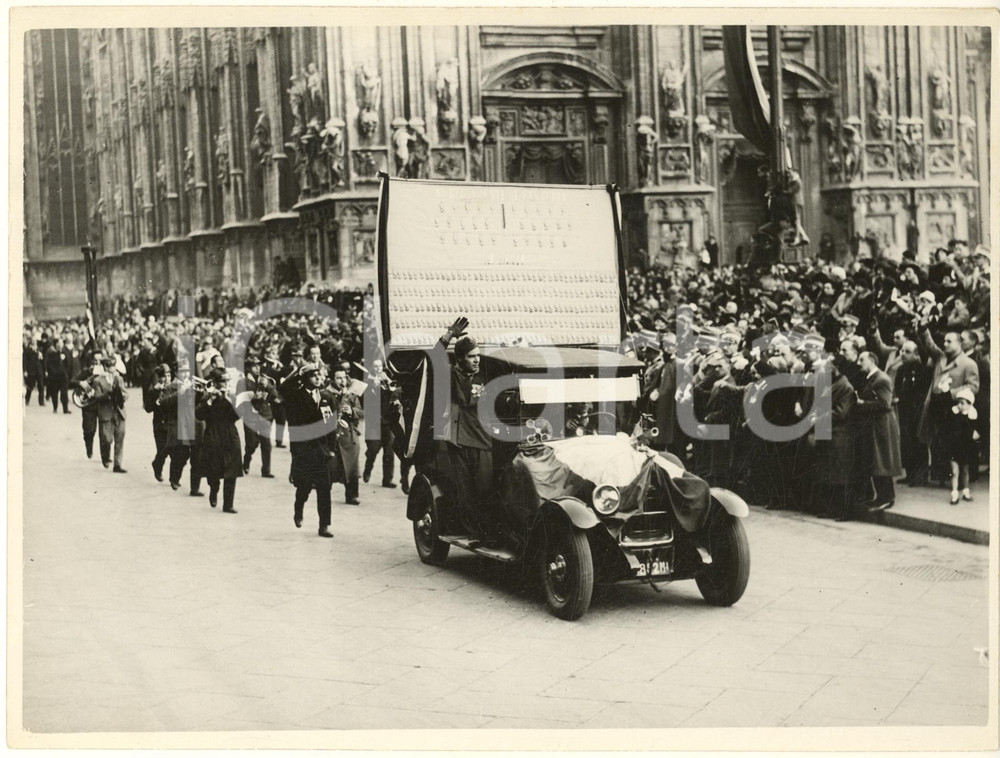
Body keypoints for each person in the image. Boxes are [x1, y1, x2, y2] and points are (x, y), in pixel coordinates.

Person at [436, 317, 496, 539]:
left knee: (485, 489)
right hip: (460, 440)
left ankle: (486, 531)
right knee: (466, 491)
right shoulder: (451, 374)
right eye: (471, 356)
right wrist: (449, 335)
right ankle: (475, 533)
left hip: (482, 439)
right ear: (460, 359)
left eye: (478, 355)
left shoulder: (483, 375)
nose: (476, 360)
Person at [281, 363, 339, 538]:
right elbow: (282, 388)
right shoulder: (296, 396)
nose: (318, 378)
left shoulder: (326, 397)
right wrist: (299, 371)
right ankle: (298, 508)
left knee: (324, 488)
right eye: (313, 376)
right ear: (305, 378)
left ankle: (324, 525)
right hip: (303, 449)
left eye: (319, 375)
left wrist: (331, 448)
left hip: (322, 450)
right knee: (304, 486)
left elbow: (331, 424)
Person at [917, 330, 979, 485]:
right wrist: (923, 329)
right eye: (944, 341)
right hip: (937, 405)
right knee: (937, 439)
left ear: (959, 343)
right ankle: (940, 475)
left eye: (949, 341)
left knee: (953, 443)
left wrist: (951, 393)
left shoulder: (969, 364)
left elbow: (973, 386)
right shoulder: (941, 357)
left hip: (954, 406)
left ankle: (956, 478)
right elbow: (930, 345)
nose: (945, 344)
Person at [855, 351, 903, 512]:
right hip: (876, 426)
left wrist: (862, 403)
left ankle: (887, 498)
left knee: (882, 461)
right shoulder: (873, 378)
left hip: (882, 427)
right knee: (878, 462)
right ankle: (881, 497)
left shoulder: (881, 379)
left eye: (862, 359)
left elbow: (885, 404)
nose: (859, 363)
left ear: (871, 360)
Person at [196, 368, 242, 513]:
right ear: (215, 383)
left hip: (230, 434)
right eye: (223, 381)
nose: (226, 384)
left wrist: (228, 399)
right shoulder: (208, 396)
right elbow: (199, 415)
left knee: (231, 470)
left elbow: (237, 416)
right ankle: (213, 489)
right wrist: (210, 400)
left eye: (227, 381)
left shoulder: (231, 396)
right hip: (213, 434)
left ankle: (228, 505)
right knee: (213, 468)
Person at [894, 340, 931, 486]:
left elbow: (922, 391)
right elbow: (898, 388)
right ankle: (910, 474)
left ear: (916, 354)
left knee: (918, 443)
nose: (903, 354)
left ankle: (921, 476)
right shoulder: (901, 370)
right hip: (904, 410)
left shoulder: (922, 370)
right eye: (902, 351)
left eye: (907, 352)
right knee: (906, 443)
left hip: (917, 411)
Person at [362, 359, 399, 489]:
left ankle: (387, 480)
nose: (378, 369)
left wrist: (388, 383)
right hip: (374, 423)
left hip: (387, 422)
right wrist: (373, 385)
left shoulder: (386, 380)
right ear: (371, 368)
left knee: (389, 452)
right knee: (373, 450)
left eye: (379, 366)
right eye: (375, 366)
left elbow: (394, 394)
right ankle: (367, 470)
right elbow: (365, 399)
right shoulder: (367, 382)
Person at [330, 367, 364, 505]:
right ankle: (324, 493)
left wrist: (351, 411)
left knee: (352, 466)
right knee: (329, 465)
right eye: (338, 378)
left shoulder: (351, 395)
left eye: (344, 377)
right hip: (331, 434)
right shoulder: (326, 393)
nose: (342, 381)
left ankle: (352, 495)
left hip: (349, 435)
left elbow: (361, 412)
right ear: (332, 379)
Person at [939, 387, 979, 504]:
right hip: (954, 447)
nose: (959, 405)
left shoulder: (972, 416)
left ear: (969, 404)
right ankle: (954, 493)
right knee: (954, 471)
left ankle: (966, 491)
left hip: (966, 448)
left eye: (962, 403)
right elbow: (947, 426)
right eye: (958, 402)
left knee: (965, 470)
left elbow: (975, 431)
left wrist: (976, 434)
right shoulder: (953, 414)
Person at [240, 356, 277, 478]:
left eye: (258, 366)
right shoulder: (243, 382)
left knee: (266, 443)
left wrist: (268, 385)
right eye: (254, 366)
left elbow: (275, 395)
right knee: (252, 443)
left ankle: (266, 470)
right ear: (248, 368)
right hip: (250, 415)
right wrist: (254, 396)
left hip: (265, 414)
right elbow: (240, 398)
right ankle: (247, 458)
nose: (258, 368)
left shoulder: (265, 379)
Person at [90, 355, 128, 472]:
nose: (113, 368)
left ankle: (117, 465)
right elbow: (97, 396)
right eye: (110, 366)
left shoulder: (119, 379)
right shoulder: (98, 381)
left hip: (119, 412)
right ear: (105, 367)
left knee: (119, 438)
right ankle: (105, 456)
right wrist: (108, 393)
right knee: (106, 439)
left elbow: (125, 393)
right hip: (106, 414)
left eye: (113, 366)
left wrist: (123, 396)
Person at [70, 350, 103, 459]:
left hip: (102, 405)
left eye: (100, 360)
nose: (98, 363)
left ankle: (105, 456)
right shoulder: (86, 372)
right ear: (92, 361)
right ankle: (89, 448)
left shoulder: (105, 372)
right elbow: (72, 381)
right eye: (95, 360)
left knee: (104, 433)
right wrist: (81, 383)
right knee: (89, 431)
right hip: (89, 405)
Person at [44, 338, 72, 414]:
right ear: (56, 345)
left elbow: (68, 363)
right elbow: (48, 364)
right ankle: (55, 408)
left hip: (63, 376)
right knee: (54, 393)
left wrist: (67, 373)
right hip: (54, 376)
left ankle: (65, 409)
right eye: (58, 343)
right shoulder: (51, 353)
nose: (60, 345)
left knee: (64, 393)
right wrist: (50, 372)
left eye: (61, 343)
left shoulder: (65, 352)